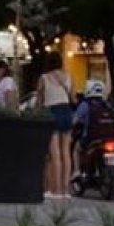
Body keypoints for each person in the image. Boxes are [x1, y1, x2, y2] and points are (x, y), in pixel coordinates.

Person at [35, 51, 74, 197]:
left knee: (54, 154)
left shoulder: (44, 78)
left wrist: (37, 114)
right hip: (66, 112)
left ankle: (55, 190)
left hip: (52, 113)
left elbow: (39, 101)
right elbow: (73, 98)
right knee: (66, 152)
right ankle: (65, 190)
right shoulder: (68, 77)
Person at [71, 79, 114, 176]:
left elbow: (75, 120)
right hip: (108, 138)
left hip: (90, 138)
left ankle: (76, 171)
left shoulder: (85, 105)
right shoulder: (106, 105)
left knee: (76, 149)